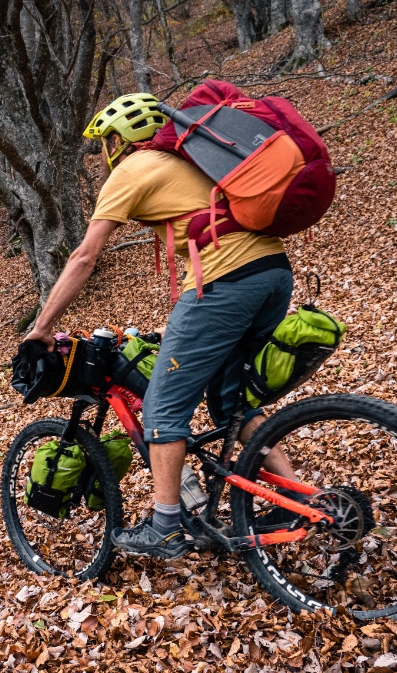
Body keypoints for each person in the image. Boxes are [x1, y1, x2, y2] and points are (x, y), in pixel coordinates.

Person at [23, 93, 297, 559]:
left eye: (108, 141)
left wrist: (42, 327)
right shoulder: (194, 161)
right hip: (272, 274)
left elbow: (85, 256)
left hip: (224, 281)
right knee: (230, 402)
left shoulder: (133, 169)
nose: (106, 152)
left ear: (119, 141)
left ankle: (166, 524)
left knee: (162, 408)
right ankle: (293, 499)